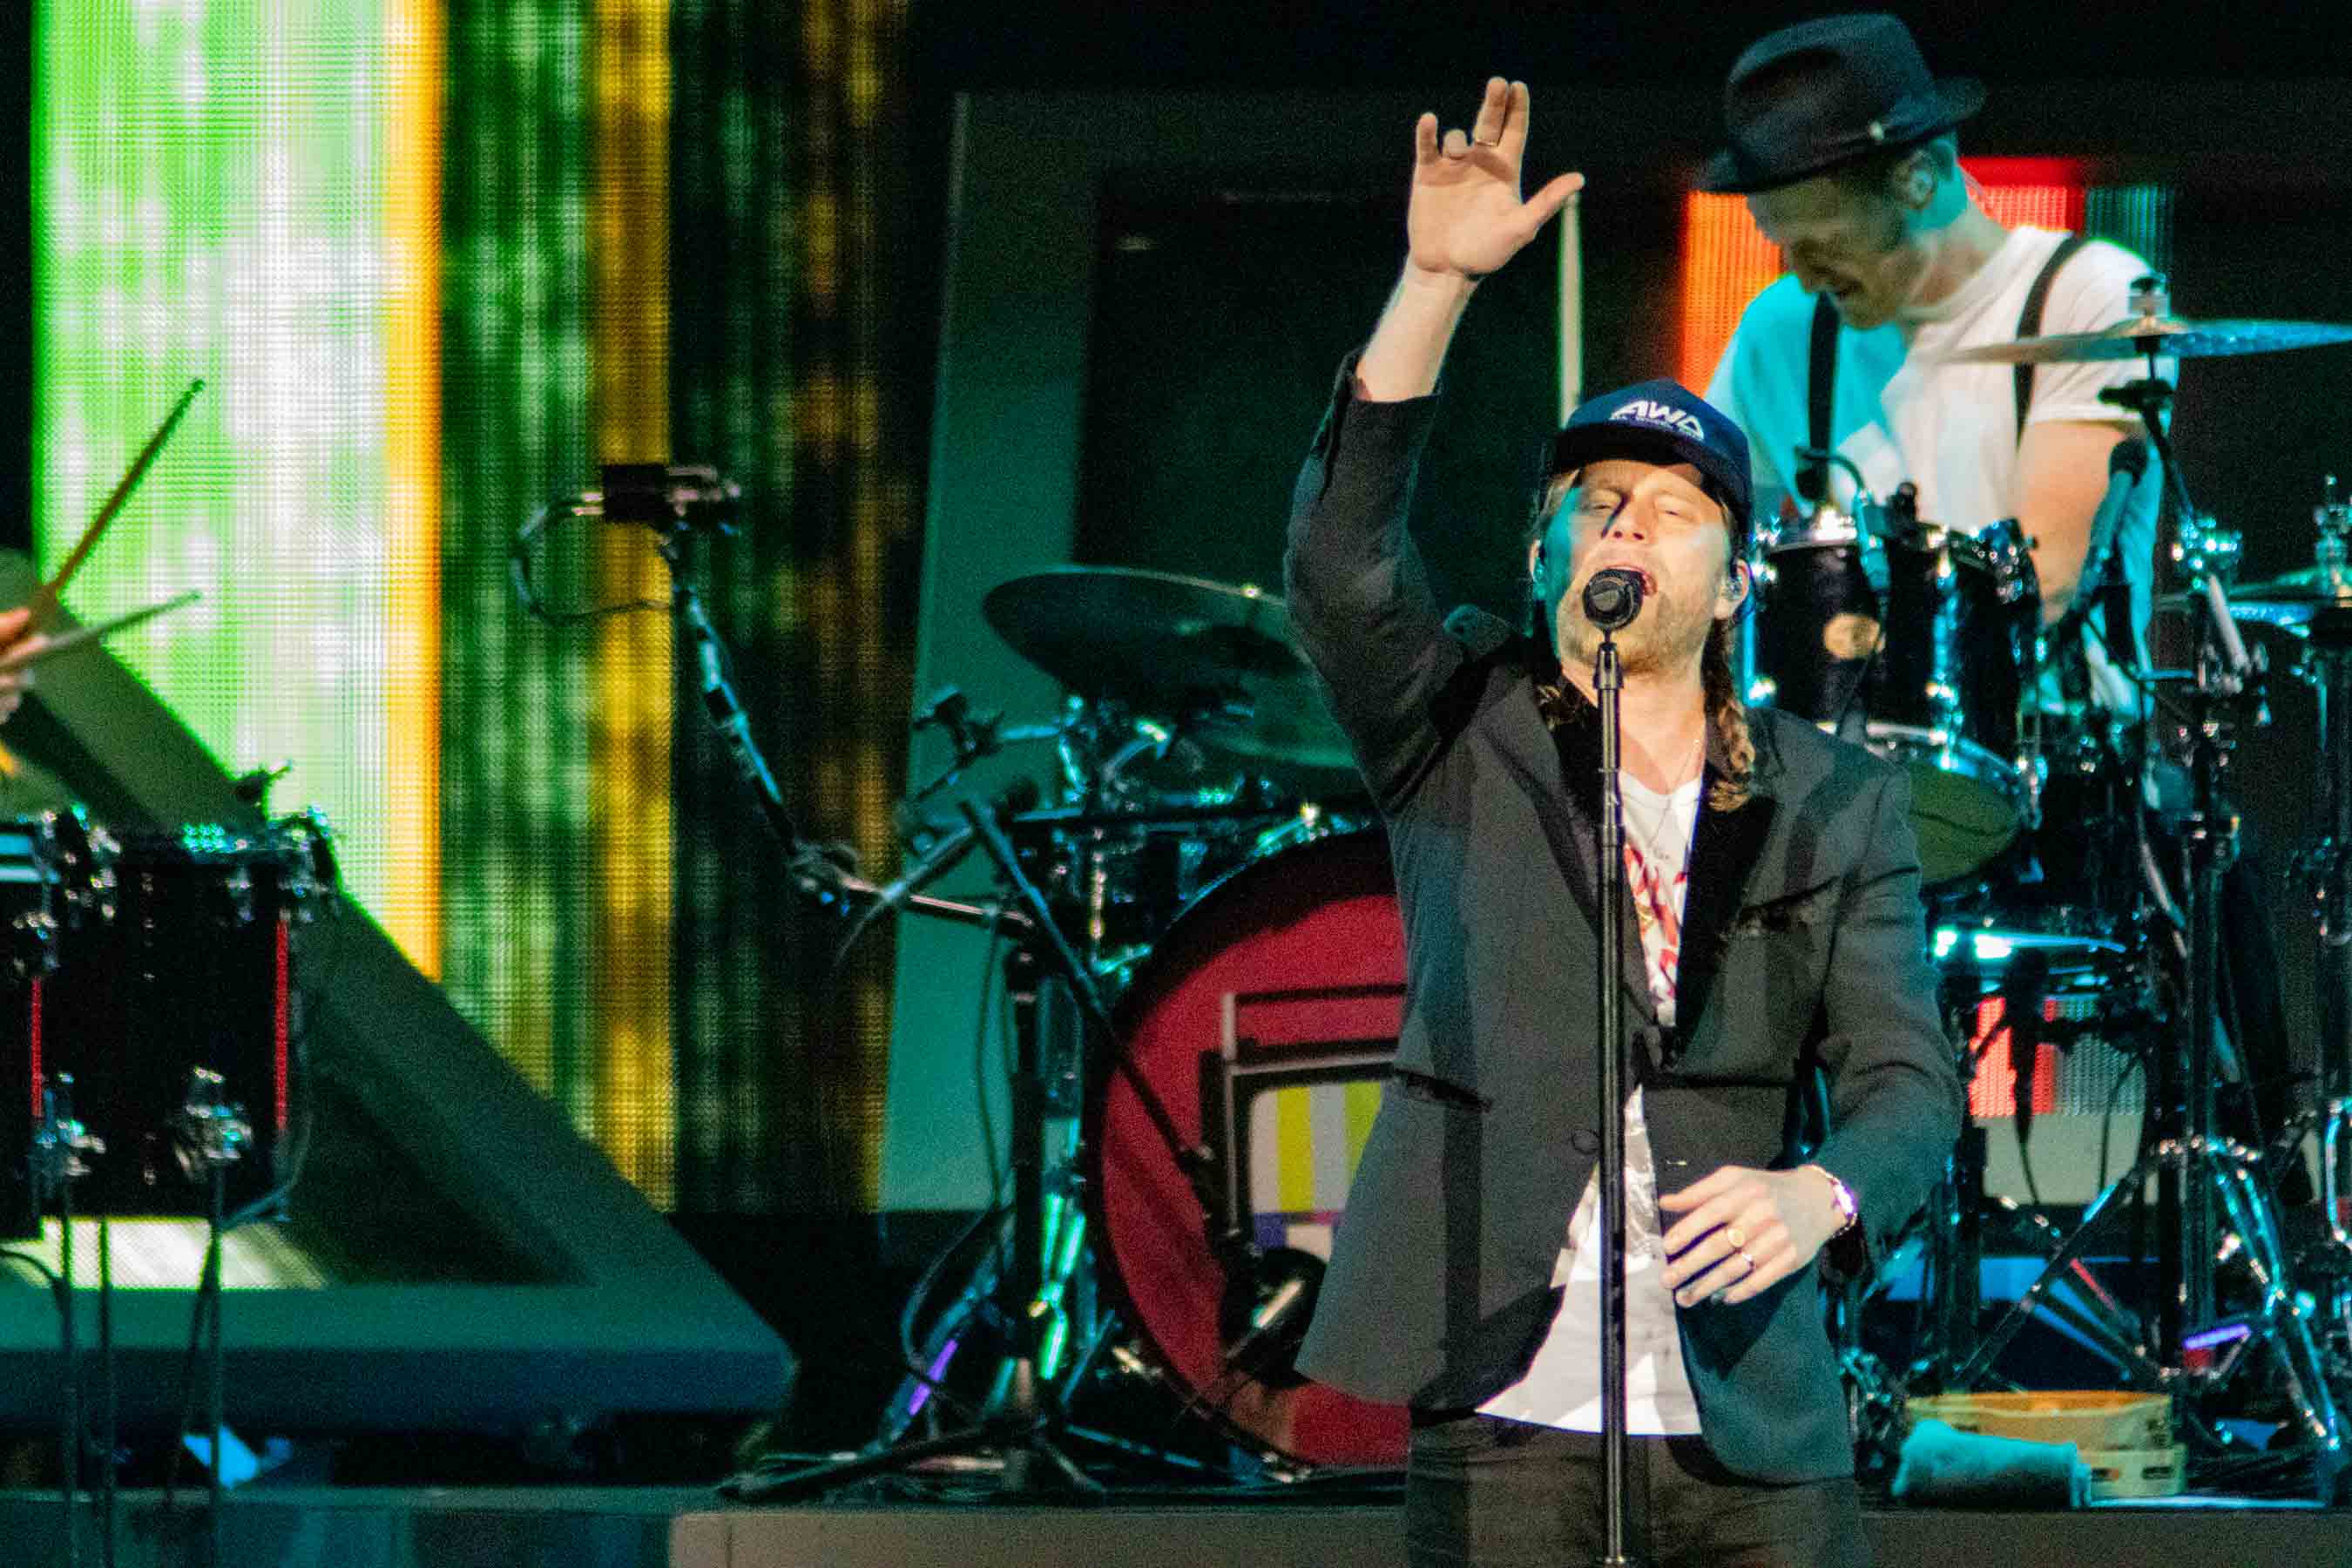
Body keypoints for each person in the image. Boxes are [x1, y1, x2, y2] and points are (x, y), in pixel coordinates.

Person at [1285, 77, 1960, 1568]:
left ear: (1734, 586)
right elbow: (1340, 565)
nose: (1629, 522)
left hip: (1753, 1432)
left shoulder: (1834, 798)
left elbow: (1913, 1084)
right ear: (1543, 559)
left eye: (1674, 505)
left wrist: (1823, 1188)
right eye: (1594, 501)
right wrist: (1435, 284)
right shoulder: (1463, 729)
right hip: (1509, 1416)